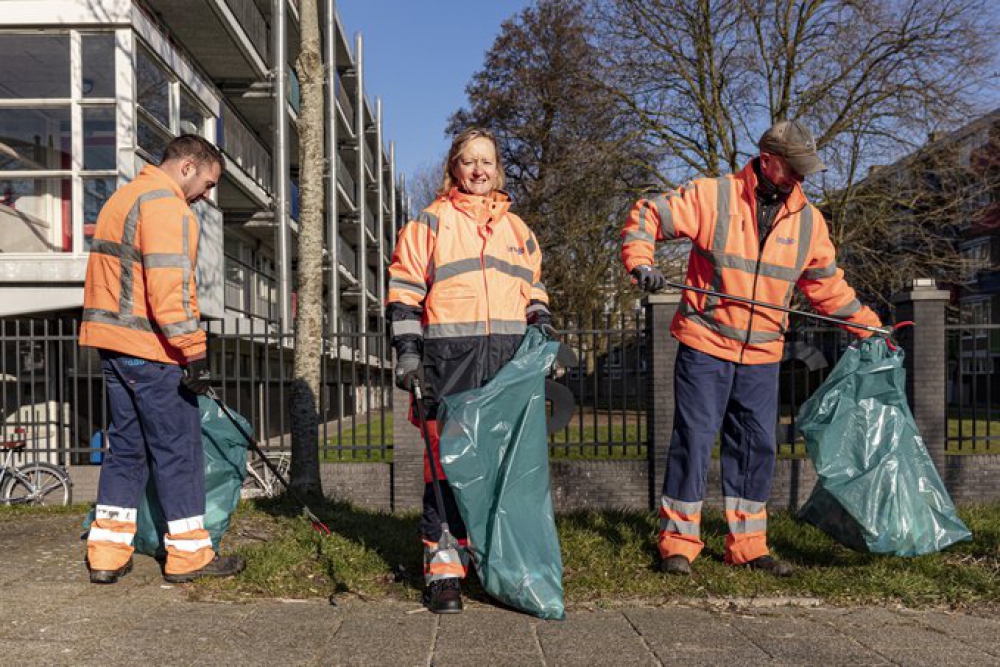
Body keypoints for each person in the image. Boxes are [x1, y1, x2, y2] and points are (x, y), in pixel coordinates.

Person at [621, 120, 883, 577]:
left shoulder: (809, 222)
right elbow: (648, 214)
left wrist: (870, 328)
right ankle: (678, 544)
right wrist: (641, 262)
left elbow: (828, 289)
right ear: (767, 160)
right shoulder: (713, 196)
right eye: (792, 169)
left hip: (762, 355)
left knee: (757, 447)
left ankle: (747, 545)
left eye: (805, 170)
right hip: (705, 343)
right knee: (695, 440)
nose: (799, 179)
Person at [386, 127, 552, 613]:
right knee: (446, 468)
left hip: (506, 367)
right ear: (453, 168)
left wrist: (542, 331)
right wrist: (410, 356)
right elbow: (403, 294)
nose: (479, 171)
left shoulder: (519, 231)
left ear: (498, 169)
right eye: (468, 161)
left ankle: (490, 561)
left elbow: (535, 291)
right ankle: (443, 571)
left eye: (487, 162)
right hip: (448, 363)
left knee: (501, 470)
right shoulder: (429, 223)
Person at [80, 135, 244, 584]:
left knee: (125, 451)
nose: (206, 196)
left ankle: (107, 554)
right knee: (178, 452)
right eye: (208, 184)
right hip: (154, 350)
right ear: (187, 167)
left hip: (114, 347)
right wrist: (194, 351)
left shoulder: (123, 198)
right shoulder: (168, 207)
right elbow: (169, 289)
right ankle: (190, 556)